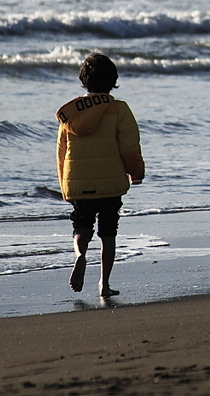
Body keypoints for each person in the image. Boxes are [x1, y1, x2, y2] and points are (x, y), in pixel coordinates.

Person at [55, 53, 145, 297]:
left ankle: (80, 255)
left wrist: (66, 186)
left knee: (81, 227)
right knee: (108, 232)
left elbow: (61, 153)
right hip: (111, 183)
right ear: (113, 80)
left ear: (84, 81)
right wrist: (136, 173)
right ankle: (104, 284)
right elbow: (129, 146)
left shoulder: (70, 114)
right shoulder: (119, 109)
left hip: (79, 182)